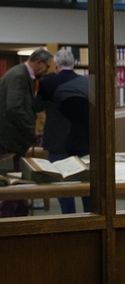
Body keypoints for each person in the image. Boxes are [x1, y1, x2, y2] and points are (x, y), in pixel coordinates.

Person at [38, 48, 91, 213]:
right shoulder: (86, 82)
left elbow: (37, 106)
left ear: (56, 64)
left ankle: (68, 216)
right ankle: (89, 216)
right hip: (83, 139)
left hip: (57, 139)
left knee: (63, 183)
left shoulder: (47, 82)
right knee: (85, 182)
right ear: (74, 64)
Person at [0, 48, 53, 172]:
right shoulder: (19, 76)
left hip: (11, 139)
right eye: (47, 66)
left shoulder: (22, 74)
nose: (47, 70)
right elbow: (14, 108)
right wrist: (31, 131)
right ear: (40, 62)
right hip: (10, 140)